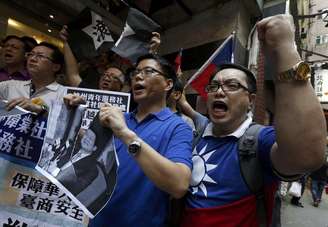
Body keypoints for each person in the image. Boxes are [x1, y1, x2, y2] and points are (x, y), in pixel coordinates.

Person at [177, 14, 326, 227]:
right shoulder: (196, 134)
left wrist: (286, 49)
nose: (219, 92)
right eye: (214, 87)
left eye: (232, 86)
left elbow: (307, 155)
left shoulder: (259, 140)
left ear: (251, 101)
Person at [86, 53, 193, 226]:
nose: (138, 76)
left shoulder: (179, 128)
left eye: (148, 71)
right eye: (136, 72)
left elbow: (179, 185)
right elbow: (84, 157)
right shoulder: (118, 119)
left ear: (168, 84)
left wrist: (125, 134)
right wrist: (72, 115)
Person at [0, 42, 66, 114]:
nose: (32, 59)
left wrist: (41, 110)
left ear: (56, 67)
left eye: (40, 56)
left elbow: (64, 121)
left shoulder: (63, 94)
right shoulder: (10, 86)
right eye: (31, 54)